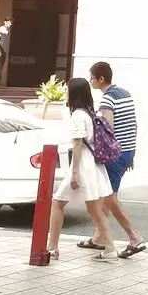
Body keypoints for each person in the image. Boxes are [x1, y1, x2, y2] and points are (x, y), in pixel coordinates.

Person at [79, 62, 145, 259]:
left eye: (92, 77)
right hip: (126, 152)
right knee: (106, 196)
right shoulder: (125, 94)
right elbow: (133, 124)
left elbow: (107, 130)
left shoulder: (107, 100)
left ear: (100, 79)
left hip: (115, 155)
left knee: (109, 198)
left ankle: (134, 237)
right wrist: (131, 153)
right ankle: (99, 237)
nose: (90, 81)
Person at [47, 78, 115, 261]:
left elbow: (77, 145)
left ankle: (52, 247)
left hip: (83, 164)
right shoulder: (90, 113)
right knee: (95, 210)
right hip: (94, 165)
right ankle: (110, 248)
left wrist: (75, 172)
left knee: (58, 202)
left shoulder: (78, 115)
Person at [0, 17, 12, 88]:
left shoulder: (7, 30)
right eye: (9, 23)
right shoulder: (1, 29)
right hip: (0, 50)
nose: (10, 24)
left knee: (1, 67)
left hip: (4, 51)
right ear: (5, 22)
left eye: (11, 23)